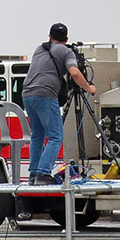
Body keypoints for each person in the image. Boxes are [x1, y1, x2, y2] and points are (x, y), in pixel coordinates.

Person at [24, 23, 98, 184]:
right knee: (56, 136)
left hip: (28, 94)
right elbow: (74, 73)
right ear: (67, 39)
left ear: (49, 37)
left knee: (37, 136)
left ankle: (33, 174)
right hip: (45, 94)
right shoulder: (66, 51)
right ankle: (43, 174)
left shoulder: (40, 49)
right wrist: (89, 88)